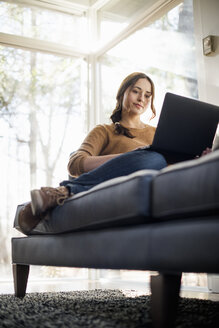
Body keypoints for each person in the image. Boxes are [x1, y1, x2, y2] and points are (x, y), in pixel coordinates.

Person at [17, 72, 171, 233]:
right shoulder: (104, 131)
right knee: (153, 158)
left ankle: (63, 192)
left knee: (157, 159)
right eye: (136, 91)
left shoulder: (158, 133)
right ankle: (61, 193)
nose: (142, 99)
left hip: (155, 188)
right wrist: (131, 157)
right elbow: (75, 163)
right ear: (122, 93)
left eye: (147, 95)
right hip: (119, 188)